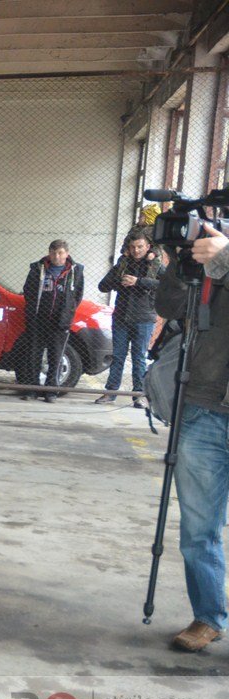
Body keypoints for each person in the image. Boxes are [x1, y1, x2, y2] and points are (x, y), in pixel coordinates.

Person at [158, 224, 229, 652]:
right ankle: (208, 617)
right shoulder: (211, 254)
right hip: (205, 409)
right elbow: (167, 305)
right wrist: (179, 265)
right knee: (199, 528)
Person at [95, 230, 160, 408]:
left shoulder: (156, 264)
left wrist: (138, 282)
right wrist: (119, 281)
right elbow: (103, 286)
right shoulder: (122, 264)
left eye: (140, 246)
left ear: (148, 247)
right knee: (118, 356)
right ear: (128, 249)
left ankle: (139, 395)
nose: (136, 250)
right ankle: (110, 393)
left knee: (139, 357)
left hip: (144, 318)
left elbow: (165, 285)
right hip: (122, 318)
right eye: (133, 247)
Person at [19, 240, 84, 402]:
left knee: (56, 356)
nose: (57, 256)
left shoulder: (75, 271)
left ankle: (51, 391)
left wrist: (68, 312)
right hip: (39, 319)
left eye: (60, 253)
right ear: (49, 253)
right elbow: (29, 290)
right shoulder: (38, 268)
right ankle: (32, 389)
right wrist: (34, 310)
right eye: (53, 253)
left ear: (67, 254)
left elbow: (77, 296)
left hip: (60, 322)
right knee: (34, 355)